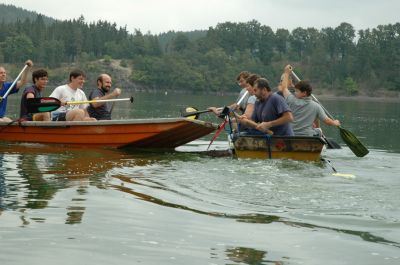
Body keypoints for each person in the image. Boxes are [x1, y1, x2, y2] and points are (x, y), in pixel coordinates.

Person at [279, 65, 340, 136]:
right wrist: (335, 122)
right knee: (319, 130)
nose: (295, 93)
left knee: (316, 123)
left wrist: (286, 73)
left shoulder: (291, 100)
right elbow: (327, 121)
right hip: (307, 135)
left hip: (291, 134)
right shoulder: (316, 106)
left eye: (297, 91)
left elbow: (284, 88)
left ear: (304, 93)